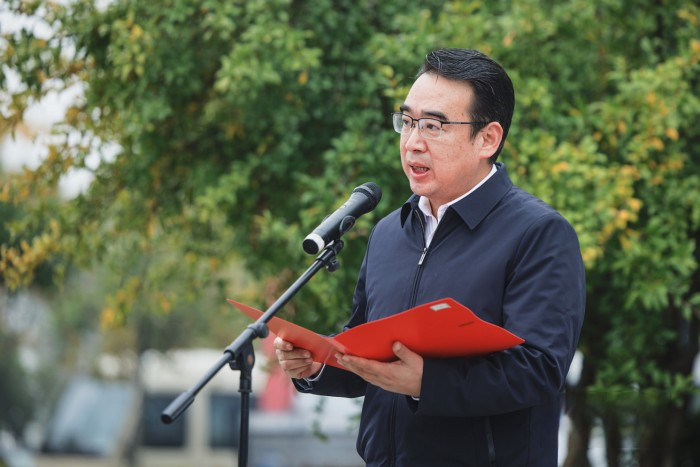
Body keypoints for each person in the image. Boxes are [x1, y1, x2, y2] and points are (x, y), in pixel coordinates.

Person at [274, 48, 585, 466]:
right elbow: (369, 352)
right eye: (407, 122)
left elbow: (539, 369)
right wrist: (317, 365)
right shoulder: (389, 233)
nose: (412, 142)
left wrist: (426, 383)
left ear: (488, 139)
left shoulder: (538, 233)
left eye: (433, 126)